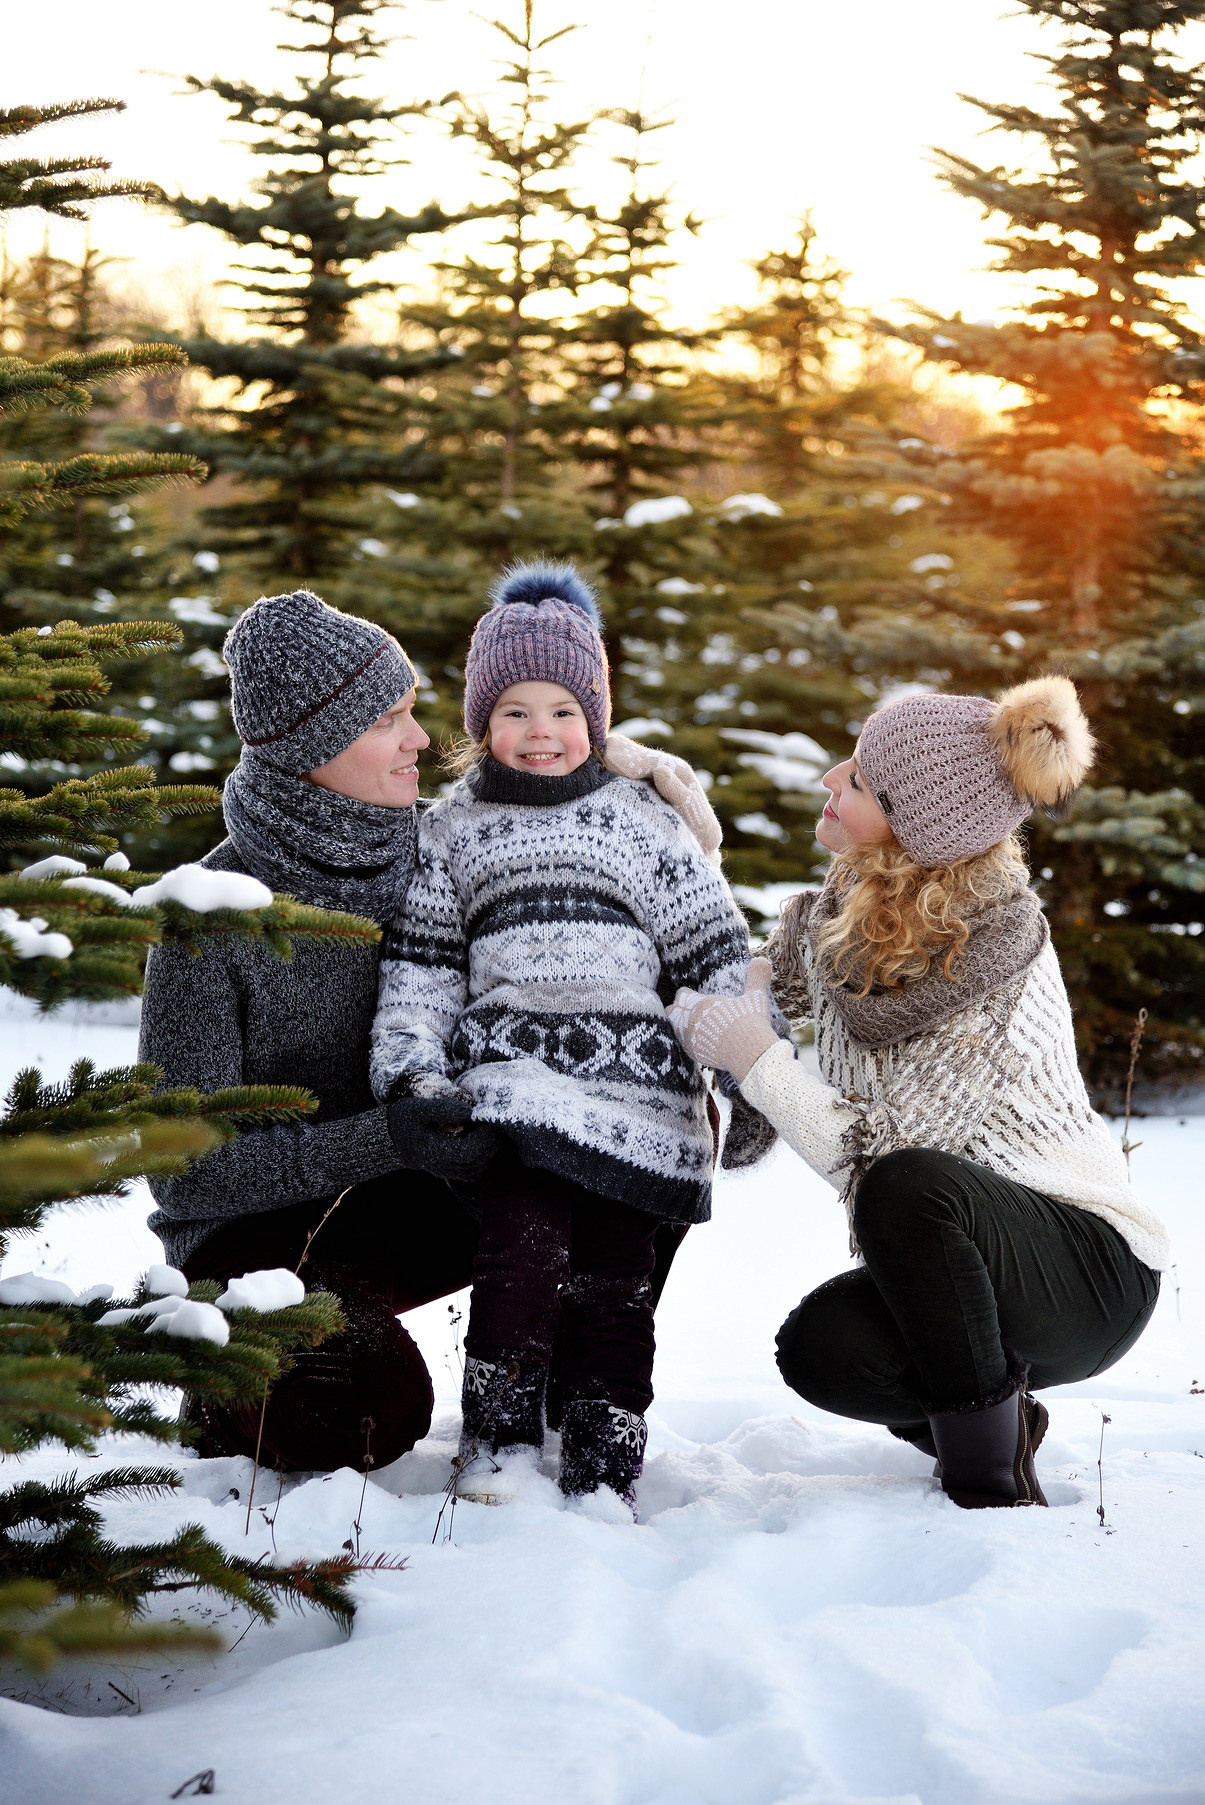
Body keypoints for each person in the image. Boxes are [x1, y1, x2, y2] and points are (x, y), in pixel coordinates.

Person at [140, 586, 719, 1476]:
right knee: (362, 1415)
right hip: (256, 1233)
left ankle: (576, 1366)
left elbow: (547, 800)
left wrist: (620, 770)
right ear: (310, 748)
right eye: (390, 719)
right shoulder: (211, 918)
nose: (419, 738)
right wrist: (384, 1135)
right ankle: (227, 1386)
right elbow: (186, 1174)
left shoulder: (437, 848)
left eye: (414, 710)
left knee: (644, 1122)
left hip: (420, 1179)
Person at [667, 677, 1170, 1509]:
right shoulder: (841, 915)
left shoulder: (991, 963)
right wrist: (688, 845)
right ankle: (1006, 1426)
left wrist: (757, 1059)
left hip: (1087, 1271)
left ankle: (989, 1485)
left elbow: (883, 1163)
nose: (832, 777)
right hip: (972, 1264)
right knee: (821, 1347)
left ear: (913, 830)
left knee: (909, 1183)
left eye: (860, 779)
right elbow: (749, 981)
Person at [371, 561, 769, 1514]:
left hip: (638, 1099)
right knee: (519, 1256)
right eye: (513, 710)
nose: (539, 732)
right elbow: (421, 973)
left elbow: (715, 951)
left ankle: (603, 1452)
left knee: (615, 1286)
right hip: (512, 1091)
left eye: (560, 709)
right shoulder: (453, 831)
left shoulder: (644, 821)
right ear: (479, 724)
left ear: (595, 716)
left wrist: (753, 1073)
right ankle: (501, 1447)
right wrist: (412, 1074)